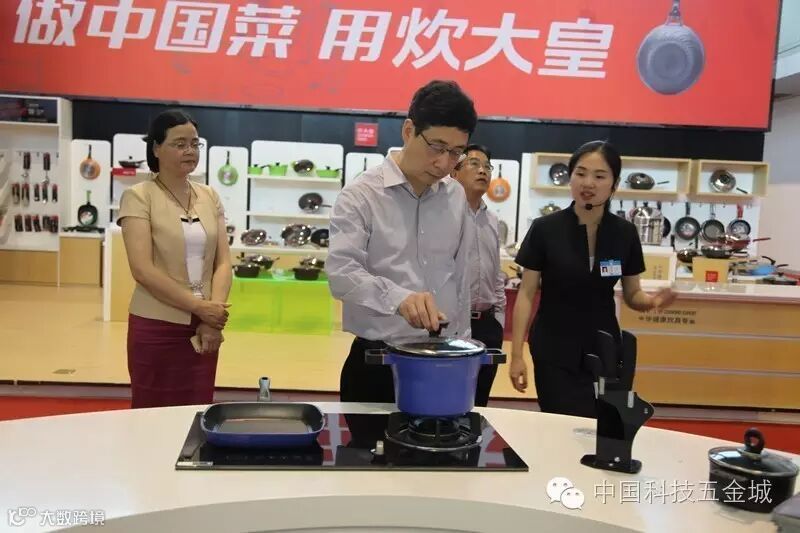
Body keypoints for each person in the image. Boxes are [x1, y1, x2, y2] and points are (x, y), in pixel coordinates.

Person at [326, 80, 478, 403]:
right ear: (409, 131)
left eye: (456, 153)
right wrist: (398, 298)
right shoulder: (361, 196)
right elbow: (341, 273)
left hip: (443, 359)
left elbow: (461, 279)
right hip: (378, 362)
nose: (444, 163)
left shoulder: (455, 196)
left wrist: (464, 350)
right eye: (436, 147)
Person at [508, 140, 677, 418]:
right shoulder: (545, 229)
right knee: (559, 424)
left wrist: (652, 302)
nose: (588, 183)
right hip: (554, 348)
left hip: (604, 349)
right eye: (581, 173)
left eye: (599, 176)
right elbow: (526, 294)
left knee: (600, 426)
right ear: (571, 177)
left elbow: (632, 294)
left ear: (614, 184)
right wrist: (517, 356)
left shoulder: (624, 233)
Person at [118, 110, 232, 408]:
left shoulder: (209, 196)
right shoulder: (139, 196)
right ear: (156, 148)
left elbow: (223, 263)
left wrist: (213, 317)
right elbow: (142, 270)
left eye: (195, 144)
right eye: (179, 144)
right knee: (151, 412)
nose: (190, 151)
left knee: (197, 409)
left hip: (205, 326)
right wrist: (200, 307)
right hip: (156, 325)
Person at [451, 144, 506, 406]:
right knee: (450, 401)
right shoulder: (442, 216)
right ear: (454, 172)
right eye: (474, 164)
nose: (482, 170)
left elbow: (496, 276)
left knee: (480, 404)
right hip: (451, 324)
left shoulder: (492, 220)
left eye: (487, 166)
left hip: (487, 325)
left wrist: (498, 321)